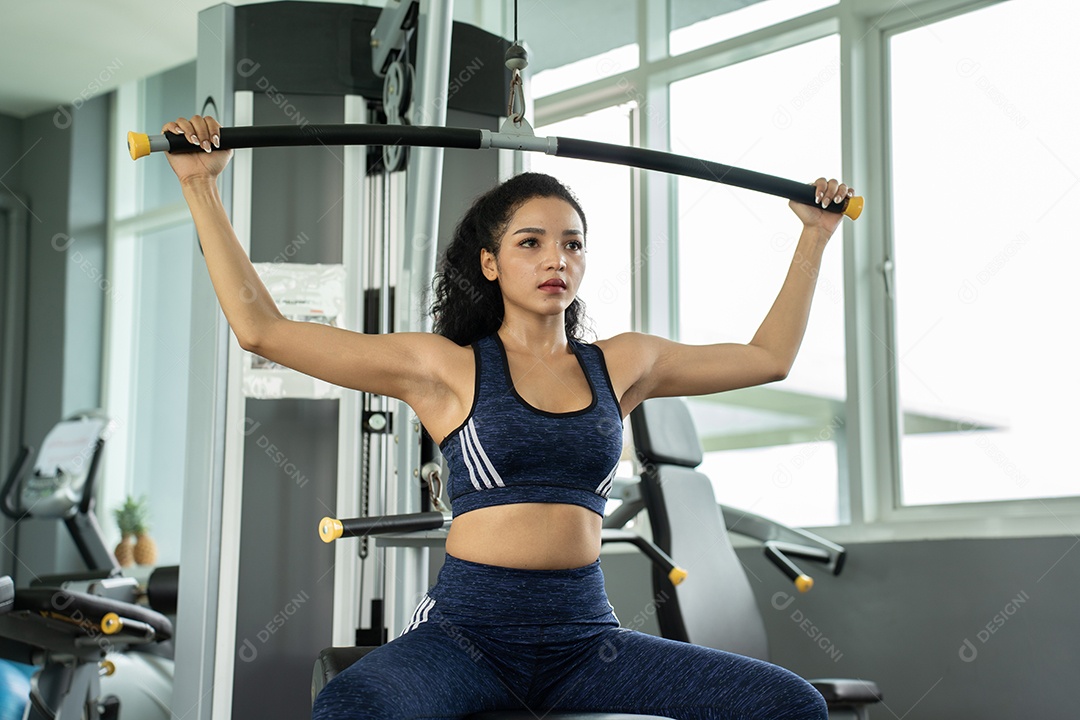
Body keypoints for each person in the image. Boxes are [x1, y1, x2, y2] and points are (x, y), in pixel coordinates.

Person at [167, 115, 853, 720]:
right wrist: (201, 186)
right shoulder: (445, 367)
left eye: (573, 243)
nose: (557, 258)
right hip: (468, 640)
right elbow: (263, 330)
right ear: (489, 263)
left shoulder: (623, 363)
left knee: (789, 703)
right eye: (531, 243)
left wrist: (815, 237)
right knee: (352, 706)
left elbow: (769, 357)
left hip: (589, 643)